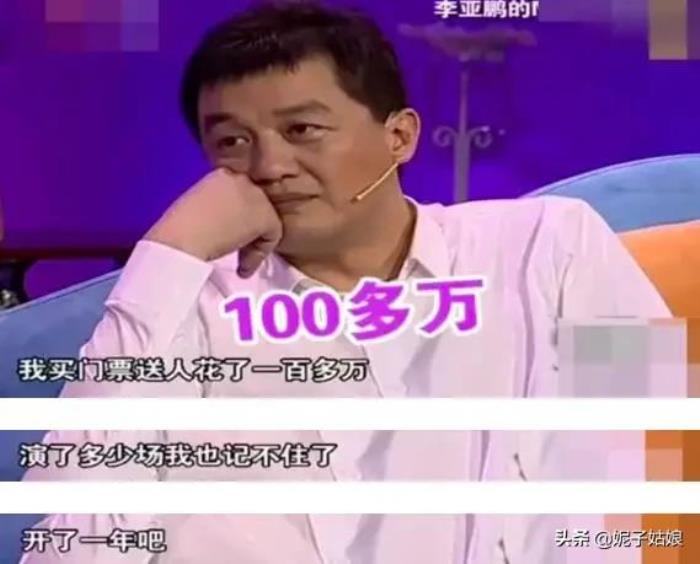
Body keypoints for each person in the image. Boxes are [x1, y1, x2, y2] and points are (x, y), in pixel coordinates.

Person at [21, 2, 670, 563]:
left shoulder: (548, 245)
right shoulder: (188, 302)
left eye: (302, 130)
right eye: (233, 142)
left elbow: (653, 443)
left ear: (400, 136)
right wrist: (172, 251)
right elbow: (66, 533)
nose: (270, 166)